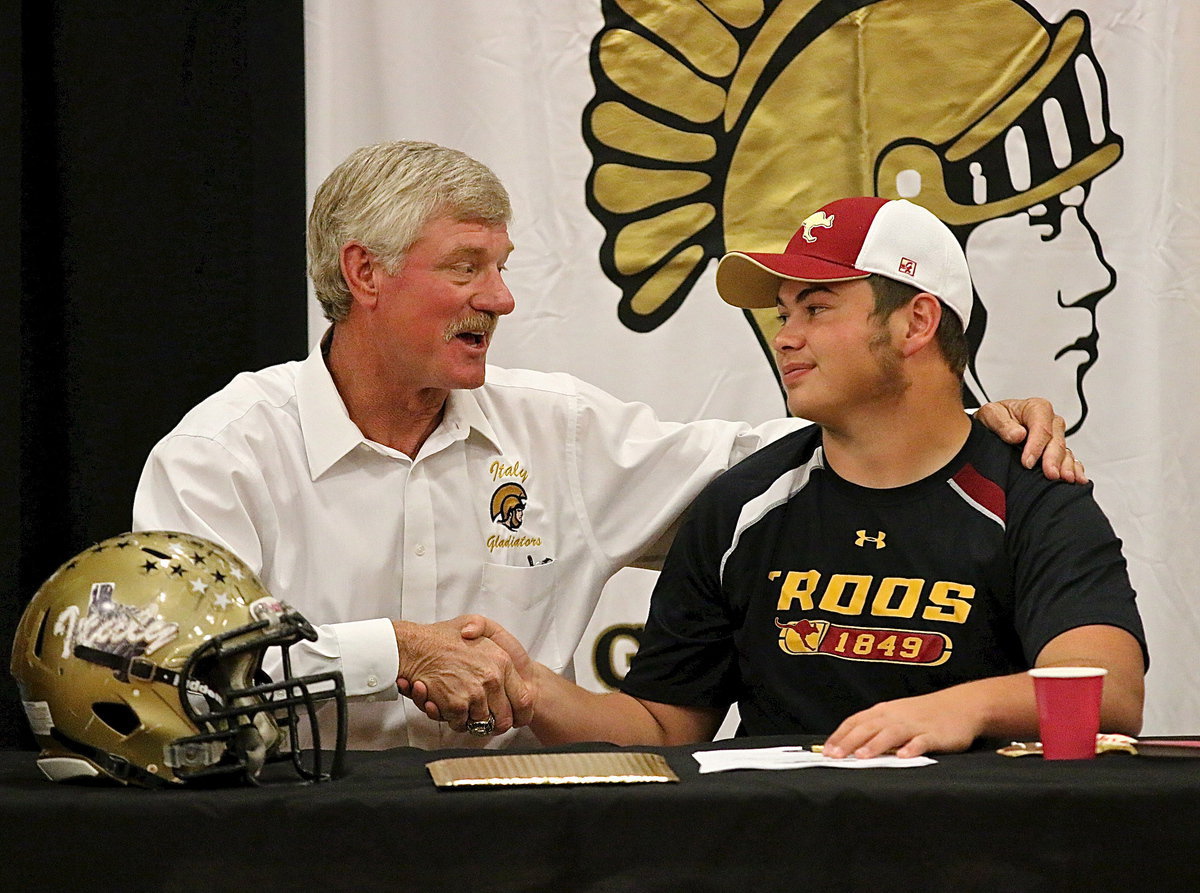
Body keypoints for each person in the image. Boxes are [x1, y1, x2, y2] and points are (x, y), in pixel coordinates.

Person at [132, 142, 1083, 751]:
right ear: (363, 273)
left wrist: (978, 415)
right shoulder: (223, 453)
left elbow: (805, 457)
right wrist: (397, 649)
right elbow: (167, 673)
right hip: (289, 839)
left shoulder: (561, 430)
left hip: (524, 844)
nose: (500, 299)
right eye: (467, 266)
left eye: (502, 267)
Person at [468, 196, 1146, 758]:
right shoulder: (741, 502)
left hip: (973, 853)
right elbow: (663, 728)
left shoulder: (1032, 490)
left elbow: (1109, 692)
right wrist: (529, 686)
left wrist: (960, 710)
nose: (785, 335)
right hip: (777, 851)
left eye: (816, 307)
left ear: (917, 321)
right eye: (783, 313)